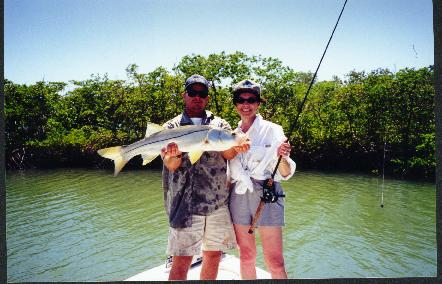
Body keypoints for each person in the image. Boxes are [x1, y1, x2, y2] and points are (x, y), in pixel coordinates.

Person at [157, 74, 248, 280]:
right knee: (181, 260)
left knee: (214, 255)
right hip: (184, 204)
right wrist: (173, 156)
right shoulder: (172, 127)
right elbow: (171, 165)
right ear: (184, 95)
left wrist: (237, 147)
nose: (197, 97)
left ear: (207, 97)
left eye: (202, 93)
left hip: (217, 203)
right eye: (192, 92)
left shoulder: (220, 124)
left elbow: (227, 154)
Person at [228, 79, 296, 279]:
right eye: (241, 99)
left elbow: (285, 173)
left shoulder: (273, 130)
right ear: (235, 104)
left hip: (269, 194)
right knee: (246, 256)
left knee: (275, 261)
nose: (246, 104)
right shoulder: (231, 133)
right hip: (239, 195)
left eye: (251, 99)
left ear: (258, 103)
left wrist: (283, 156)